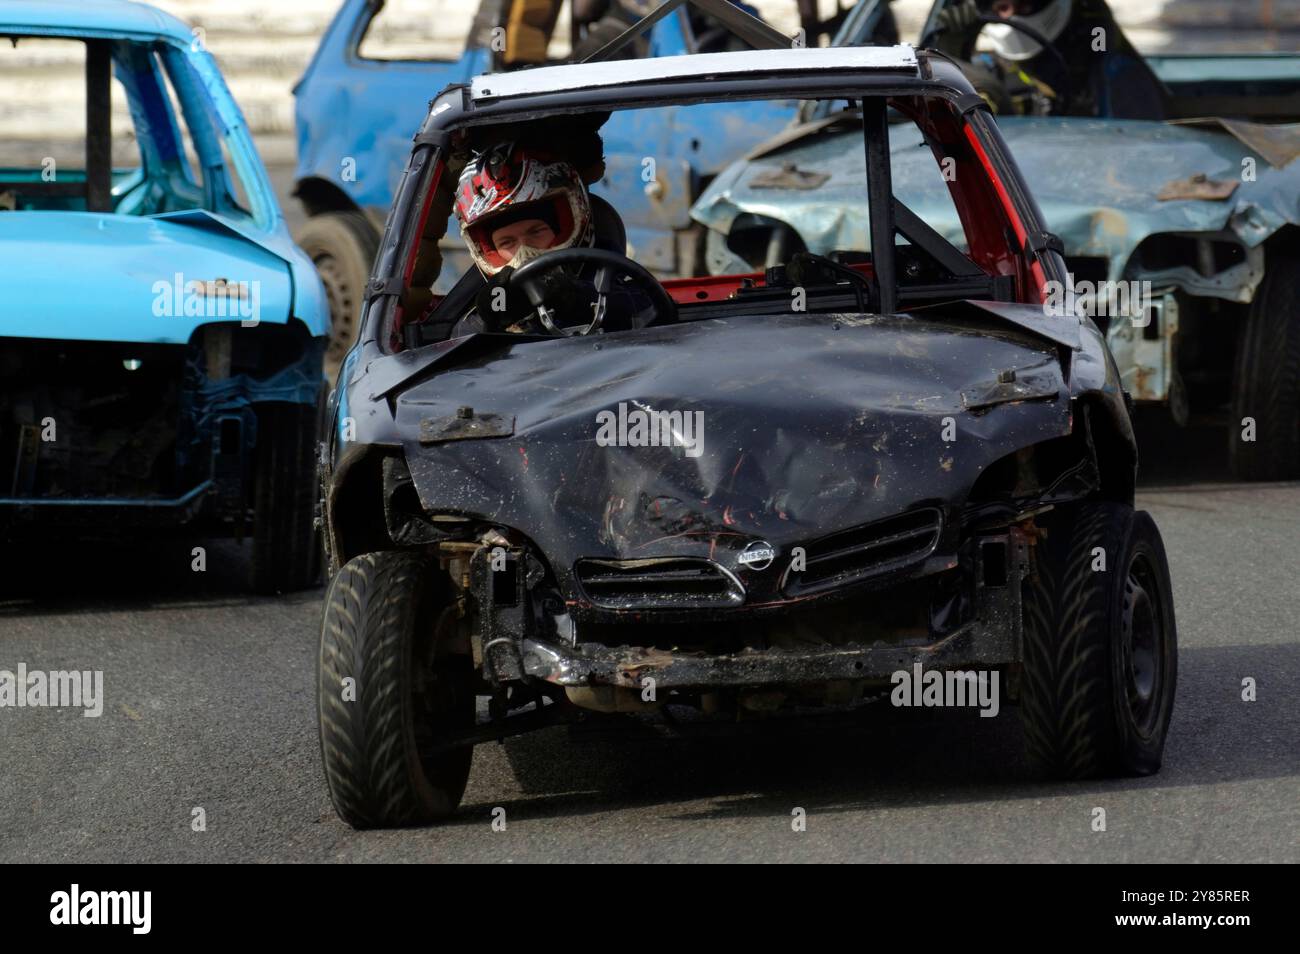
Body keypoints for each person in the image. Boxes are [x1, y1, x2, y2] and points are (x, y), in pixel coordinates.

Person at [450, 140, 656, 336]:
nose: (525, 251)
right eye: (507, 242)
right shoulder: (491, 297)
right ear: (488, 250)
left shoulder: (610, 277)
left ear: (567, 226)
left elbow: (650, 309)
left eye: (536, 231)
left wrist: (574, 298)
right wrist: (493, 317)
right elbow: (458, 347)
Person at [931, 0, 1167, 119]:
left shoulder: (1113, 71)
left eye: (1018, 3)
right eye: (999, 5)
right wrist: (950, 48)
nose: (1007, 12)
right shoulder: (986, 74)